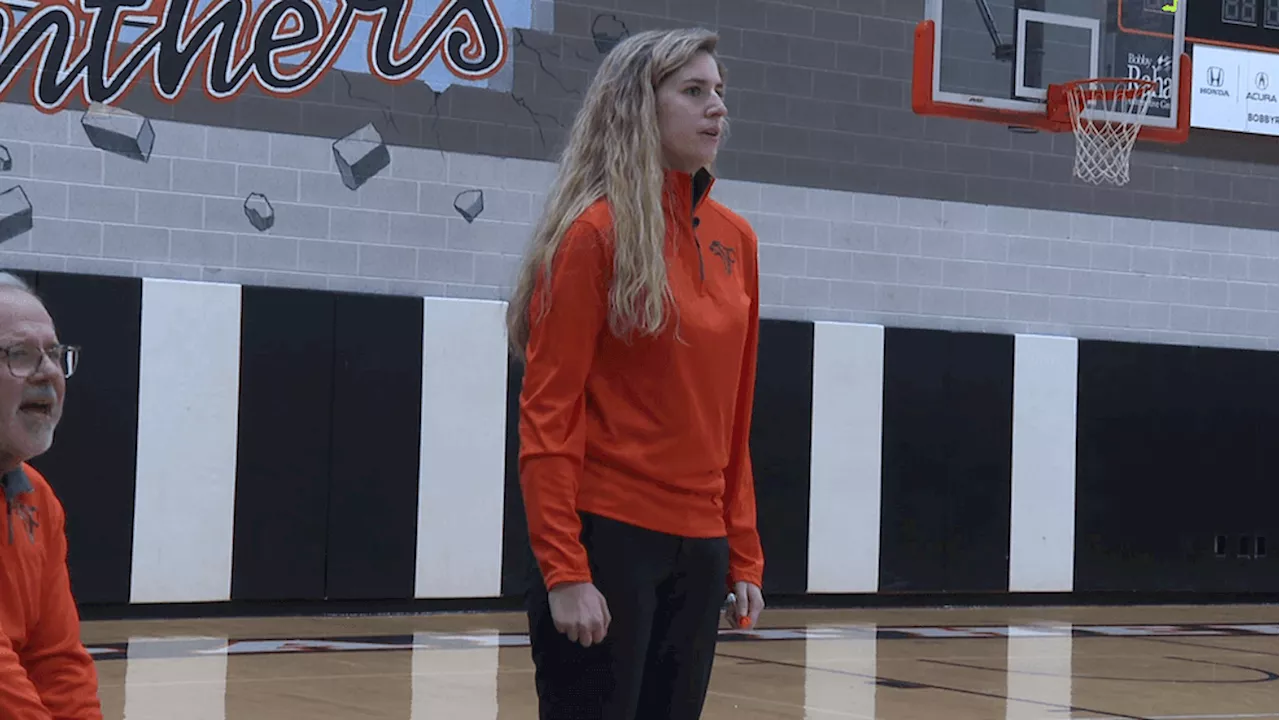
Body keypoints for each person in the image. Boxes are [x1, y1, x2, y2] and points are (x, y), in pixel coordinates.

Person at [506, 27, 765, 720]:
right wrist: (564, 571)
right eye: (693, 92)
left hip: (701, 549)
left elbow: (733, 418)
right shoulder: (595, 235)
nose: (717, 109)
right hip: (607, 541)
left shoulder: (738, 240)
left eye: (719, 93)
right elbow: (548, 414)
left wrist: (743, 552)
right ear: (637, 108)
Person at [0, 272, 102, 719]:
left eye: (55, 354)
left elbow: (57, 660)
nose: (48, 372)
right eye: (20, 355)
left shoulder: (38, 499)